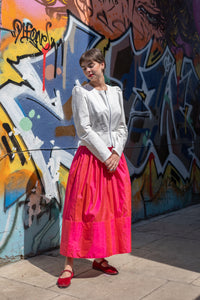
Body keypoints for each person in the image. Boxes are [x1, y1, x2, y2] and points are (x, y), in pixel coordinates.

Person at [57, 48, 132, 288]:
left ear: (102, 65)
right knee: (79, 210)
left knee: (107, 210)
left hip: (113, 160)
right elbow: (84, 129)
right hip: (91, 159)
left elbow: (122, 126)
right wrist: (105, 154)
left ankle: (99, 259)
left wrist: (116, 153)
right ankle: (68, 266)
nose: (88, 70)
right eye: (84, 67)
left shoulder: (116, 92)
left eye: (91, 65)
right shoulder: (81, 92)